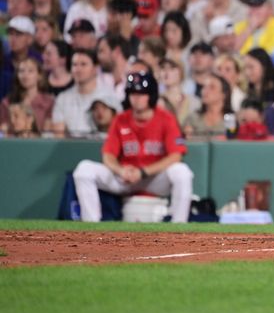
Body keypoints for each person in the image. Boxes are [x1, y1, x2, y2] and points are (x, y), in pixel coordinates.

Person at [72, 71, 193, 223]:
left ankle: (179, 226)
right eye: (133, 93)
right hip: (126, 177)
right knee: (83, 170)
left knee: (182, 172)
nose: (136, 98)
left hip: (153, 178)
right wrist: (121, 170)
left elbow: (176, 155)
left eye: (141, 94)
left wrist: (143, 172)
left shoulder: (166, 118)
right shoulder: (121, 119)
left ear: (151, 96)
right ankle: (91, 225)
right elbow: (108, 156)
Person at [50, 49, 113, 137]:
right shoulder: (62, 98)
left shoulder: (109, 96)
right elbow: (58, 135)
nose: (78, 69)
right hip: (71, 148)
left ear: (95, 69)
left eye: (83, 64)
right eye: (74, 65)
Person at [183, 73, 232, 138]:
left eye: (212, 87)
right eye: (204, 87)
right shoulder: (193, 118)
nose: (205, 91)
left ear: (223, 94)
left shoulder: (230, 118)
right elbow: (188, 141)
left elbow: (231, 141)